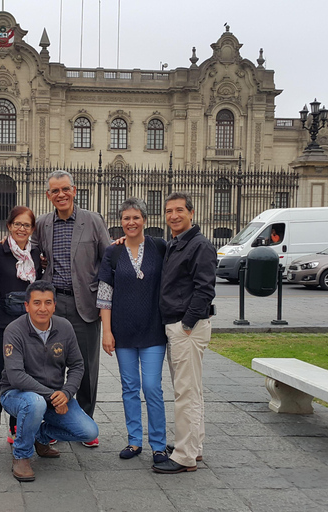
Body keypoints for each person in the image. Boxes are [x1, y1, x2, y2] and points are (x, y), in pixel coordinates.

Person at [33, 170, 110, 447]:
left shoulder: (92, 220)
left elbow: (108, 258)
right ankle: (55, 421)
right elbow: (28, 254)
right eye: (55, 191)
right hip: (52, 306)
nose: (61, 195)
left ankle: (84, 422)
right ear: (48, 195)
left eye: (65, 189)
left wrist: (105, 305)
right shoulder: (42, 224)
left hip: (84, 305)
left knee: (86, 367)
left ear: (75, 191)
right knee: (50, 365)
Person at [0, 280, 99, 482]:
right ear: (26, 306)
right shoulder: (14, 330)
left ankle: (40, 437)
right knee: (34, 403)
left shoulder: (65, 327)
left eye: (47, 303)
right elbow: (16, 375)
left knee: (89, 432)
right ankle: (22, 455)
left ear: (55, 305)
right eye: (36, 303)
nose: (42, 308)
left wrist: (66, 393)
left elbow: (78, 365)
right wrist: (53, 396)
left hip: (55, 395)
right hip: (16, 394)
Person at [97, 198, 169, 464]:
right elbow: (105, 295)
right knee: (129, 387)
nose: (131, 222)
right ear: (121, 221)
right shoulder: (113, 252)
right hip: (123, 332)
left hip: (152, 330)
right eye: (126, 218)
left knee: (151, 387)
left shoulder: (160, 247)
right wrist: (107, 331)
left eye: (136, 217)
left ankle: (159, 444)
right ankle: (134, 440)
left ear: (145, 220)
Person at [153, 192, 216, 475]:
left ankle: (185, 456)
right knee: (192, 390)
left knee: (185, 392)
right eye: (169, 211)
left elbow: (205, 288)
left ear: (191, 212)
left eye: (179, 210)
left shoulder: (200, 246)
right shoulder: (176, 244)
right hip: (180, 324)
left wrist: (187, 323)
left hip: (186, 327)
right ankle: (193, 445)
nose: (173, 216)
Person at [0, 206, 42, 450]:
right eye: (17, 224)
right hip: (4, 325)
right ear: (9, 226)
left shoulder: (37, 254)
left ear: (32, 229)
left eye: (26, 225)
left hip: (29, 326)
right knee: (1, 376)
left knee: (24, 376)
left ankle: (16, 426)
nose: (21, 229)